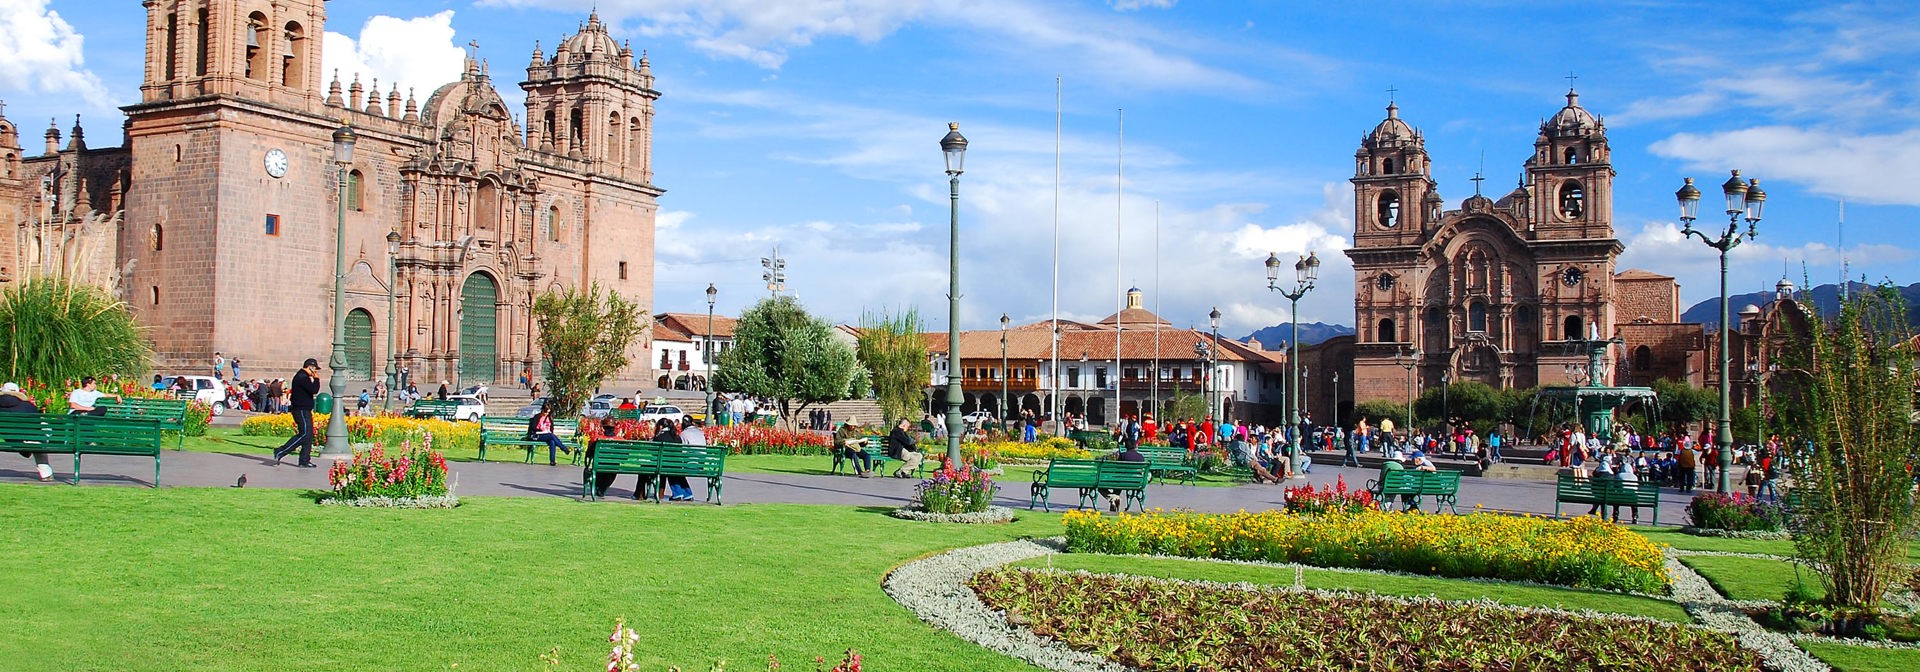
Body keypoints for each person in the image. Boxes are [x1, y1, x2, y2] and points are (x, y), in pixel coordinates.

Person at [272, 359, 322, 467]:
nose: (315, 372)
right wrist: (316, 379)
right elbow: (314, 390)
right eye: (314, 369)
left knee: (308, 435)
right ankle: (281, 451)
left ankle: (304, 460)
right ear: (310, 367)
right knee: (304, 434)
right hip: (300, 409)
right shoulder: (302, 377)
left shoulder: (303, 377)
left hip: (305, 409)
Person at [1, 382, 54, 481]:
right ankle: (45, 473)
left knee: (31, 438)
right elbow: (37, 424)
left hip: (12, 440)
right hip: (30, 438)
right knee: (39, 437)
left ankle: (26, 447)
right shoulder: (28, 406)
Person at [654, 418, 695, 501]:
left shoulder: (659, 437)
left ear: (661, 426)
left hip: (666, 464)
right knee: (678, 474)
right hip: (678, 464)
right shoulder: (677, 437)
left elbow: (654, 452)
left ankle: (677, 494)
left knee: (670, 470)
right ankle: (688, 494)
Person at [1102, 440, 1148, 511]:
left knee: (1102, 486)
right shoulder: (1140, 457)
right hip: (1136, 483)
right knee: (1119, 481)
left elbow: (1118, 469)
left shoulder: (1123, 455)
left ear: (1126, 446)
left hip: (1122, 481)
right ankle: (1114, 499)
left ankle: (1113, 498)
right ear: (1135, 446)